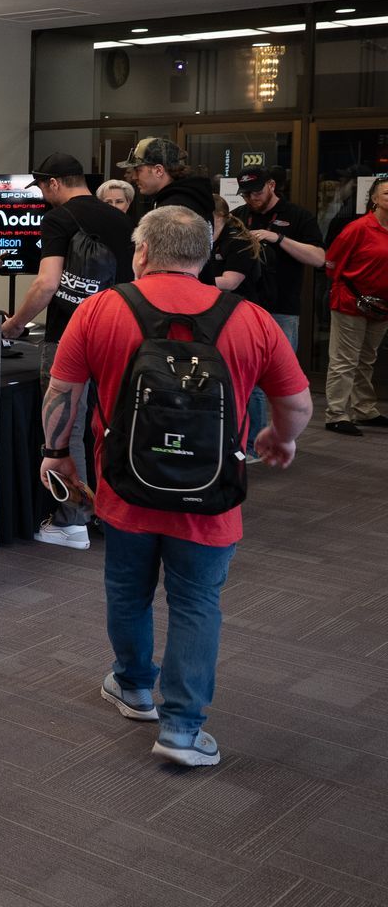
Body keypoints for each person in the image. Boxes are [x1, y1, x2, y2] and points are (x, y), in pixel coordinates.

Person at [40, 206, 310, 767]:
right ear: (206, 255)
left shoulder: (99, 310)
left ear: (141, 252)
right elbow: (298, 403)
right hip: (209, 501)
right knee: (195, 603)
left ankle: (135, 688)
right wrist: (280, 438)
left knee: (127, 591)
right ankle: (182, 730)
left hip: (124, 490)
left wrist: (57, 455)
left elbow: (61, 392)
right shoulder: (251, 318)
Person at [0, 153, 134, 551]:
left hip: (71, 338)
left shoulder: (58, 219)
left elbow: (46, 285)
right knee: (106, 424)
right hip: (117, 333)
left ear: (54, 183)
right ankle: (109, 513)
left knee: (65, 428)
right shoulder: (122, 220)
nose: (42, 196)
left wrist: (14, 325)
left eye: (42, 187)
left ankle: (72, 521)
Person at [231, 166, 323, 441]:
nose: (252, 198)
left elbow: (319, 258)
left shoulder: (298, 216)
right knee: (249, 379)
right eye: (246, 194)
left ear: (271, 185)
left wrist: (278, 238)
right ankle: (251, 442)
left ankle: (279, 437)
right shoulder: (240, 216)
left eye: (257, 192)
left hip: (282, 307)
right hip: (244, 306)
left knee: (278, 379)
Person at [321, 175, 388, 436]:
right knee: (345, 360)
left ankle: (364, 409)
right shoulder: (358, 228)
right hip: (351, 303)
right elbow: (331, 265)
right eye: (386, 194)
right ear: (374, 199)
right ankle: (336, 413)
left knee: (366, 360)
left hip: (382, 308)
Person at [117, 137, 212, 218]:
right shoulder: (190, 198)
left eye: (138, 170)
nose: (134, 177)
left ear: (159, 170)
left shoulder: (173, 210)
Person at [204, 194, 263, 293]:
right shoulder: (205, 238)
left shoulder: (240, 241)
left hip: (238, 302)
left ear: (219, 216)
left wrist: (194, 282)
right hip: (213, 298)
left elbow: (230, 282)